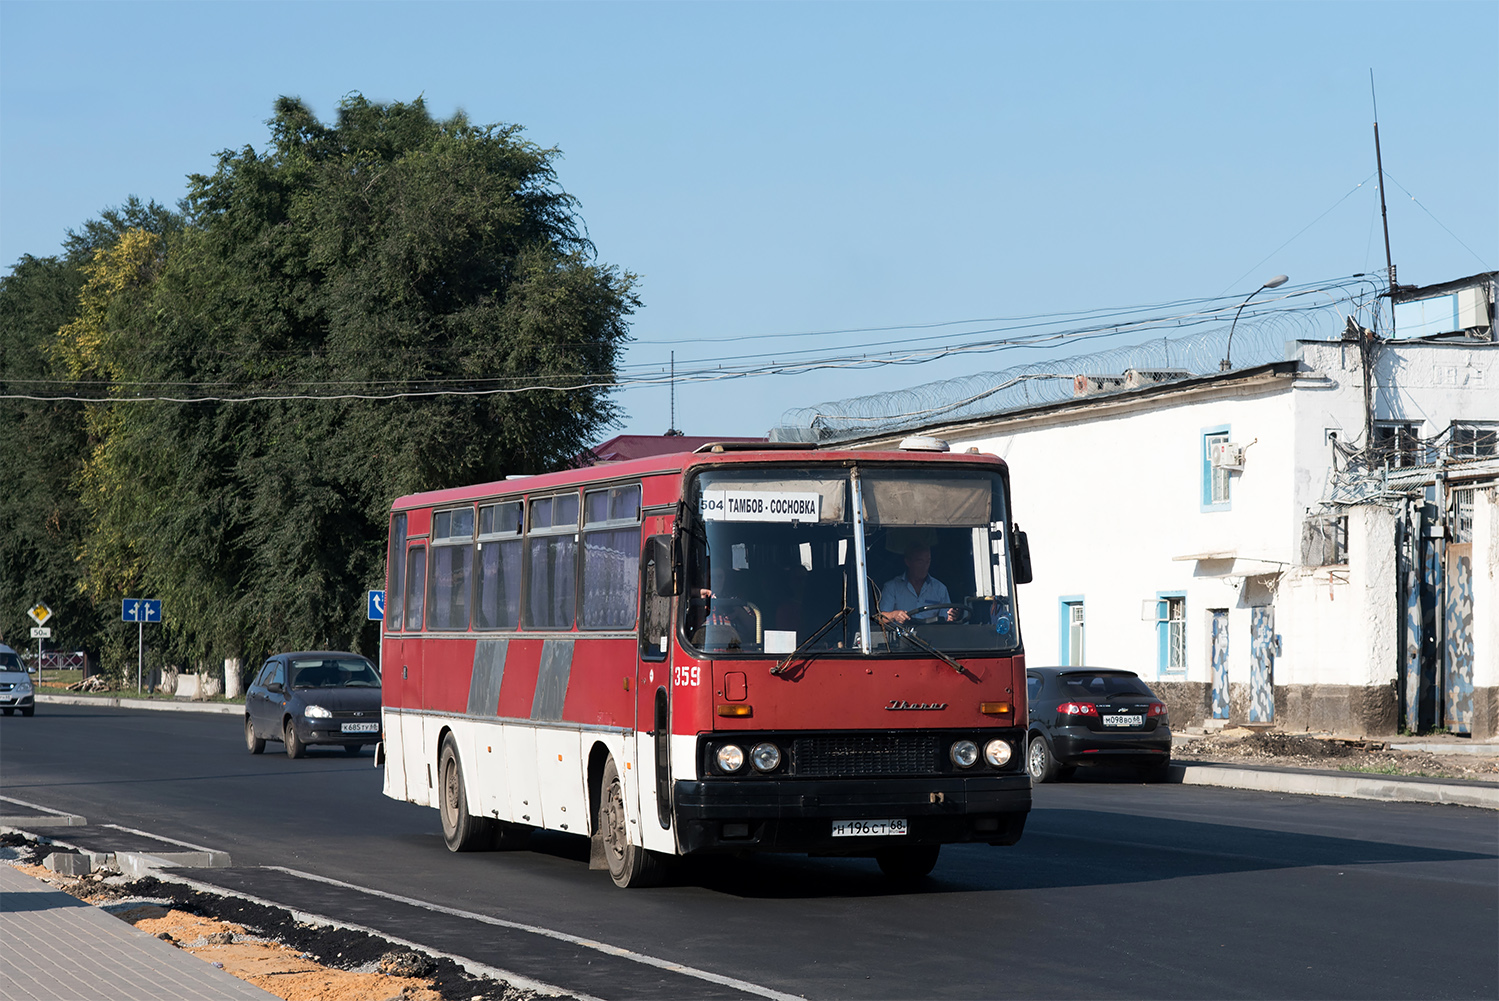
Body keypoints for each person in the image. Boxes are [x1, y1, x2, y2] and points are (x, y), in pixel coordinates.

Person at [878, 544, 957, 624]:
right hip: (900, 632)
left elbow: (946, 619)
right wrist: (894, 615)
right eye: (920, 562)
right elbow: (880, 618)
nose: (925, 566)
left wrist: (951, 617)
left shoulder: (940, 588)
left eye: (928, 561)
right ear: (908, 562)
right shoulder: (892, 587)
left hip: (932, 632)